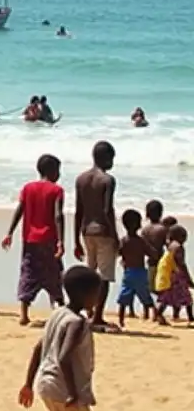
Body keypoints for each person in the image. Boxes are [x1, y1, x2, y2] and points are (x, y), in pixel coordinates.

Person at [18, 265, 113, 411]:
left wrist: (28, 383)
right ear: (84, 294)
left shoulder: (57, 314)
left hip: (46, 384)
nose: (98, 298)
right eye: (96, 293)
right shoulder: (76, 322)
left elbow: (39, 347)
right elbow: (64, 357)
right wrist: (72, 393)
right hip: (63, 389)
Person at [2, 154, 65, 325]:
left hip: (30, 240)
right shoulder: (57, 190)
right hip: (49, 239)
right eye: (58, 170)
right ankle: (59, 309)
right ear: (52, 171)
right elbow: (58, 215)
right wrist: (61, 241)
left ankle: (23, 313)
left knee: (28, 272)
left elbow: (19, 210)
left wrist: (9, 232)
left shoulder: (28, 188)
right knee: (54, 274)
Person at [74, 141, 118, 329]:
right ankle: (97, 316)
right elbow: (107, 210)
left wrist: (75, 239)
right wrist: (115, 234)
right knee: (105, 277)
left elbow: (79, 211)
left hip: (86, 231)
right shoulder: (107, 180)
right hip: (103, 230)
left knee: (91, 275)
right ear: (104, 157)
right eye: (111, 158)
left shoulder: (81, 179)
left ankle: (88, 310)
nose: (112, 162)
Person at [116, 208, 156, 327]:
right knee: (145, 294)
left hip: (128, 272)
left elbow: (117, 252)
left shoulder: (123, 241)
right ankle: (153, 314)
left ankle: (121, 320)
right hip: (140, 272)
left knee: (123, 297)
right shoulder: (141, 241)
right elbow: (151, 253)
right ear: (137, 224)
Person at [154, 225, 194, 324]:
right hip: (176, 275)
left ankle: (160, 313)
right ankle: (191, 317)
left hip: (169, 274)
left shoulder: (170, 246)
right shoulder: (178, 247)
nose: (185, 239)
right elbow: (181, 264)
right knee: (187, 297)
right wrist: (188, 279)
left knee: (168, 297)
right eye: (184, 236)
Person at [141, 200, 169, 292]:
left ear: (147, 214)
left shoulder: (145, 230)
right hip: (162, 261)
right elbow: (168, 245)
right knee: (163, 287)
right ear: (161, 213)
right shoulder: (163, 228)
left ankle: (152, 305)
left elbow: (143, 247)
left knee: (151, 288)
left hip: (150, 262)